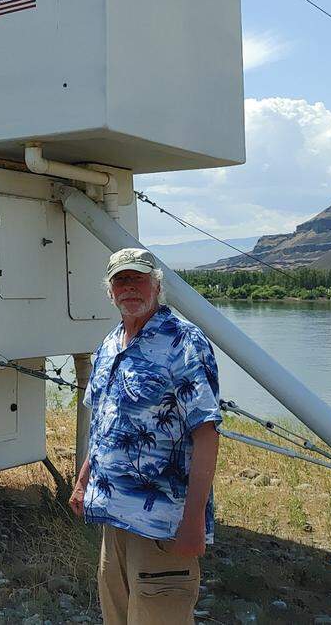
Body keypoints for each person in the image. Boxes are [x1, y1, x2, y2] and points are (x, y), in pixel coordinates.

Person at [69, 247, 221, 625]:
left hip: (161, 526)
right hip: (113, 517)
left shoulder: (183, 343)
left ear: (156, 285)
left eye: (138, 278)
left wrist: (193, 521)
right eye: (121, 280)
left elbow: (206, 436)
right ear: (110, 290)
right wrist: (83, 479)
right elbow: (104, 424)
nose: (129, 287)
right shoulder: (110, 344)